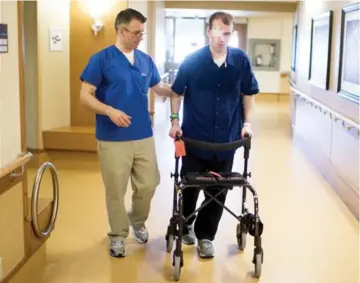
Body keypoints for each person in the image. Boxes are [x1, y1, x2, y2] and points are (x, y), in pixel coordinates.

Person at [79, 8, 172, 258]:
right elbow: (85, 96)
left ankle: (137, 220)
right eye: (136, 32)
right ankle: (118, 235)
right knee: (116, 190)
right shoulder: (101, 59)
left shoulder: (144, 60)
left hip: (143, 134)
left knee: (150, 184)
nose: (140, 36)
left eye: (142, 32)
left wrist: (177, 89)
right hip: (113, 138)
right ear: (121, 31)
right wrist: (109, 110)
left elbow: (157, 87)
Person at [169, 11, 259, 258]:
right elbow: (177, 92)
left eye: (227, 33)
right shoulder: (192, 61)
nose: (222, 38)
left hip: (227, 140)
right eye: (218, 31)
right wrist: (175, 121)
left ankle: (206, 236)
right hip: (195, 138)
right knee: (190, 186)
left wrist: (248, 123)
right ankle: (185, 221)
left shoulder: (240, 60)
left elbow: (248, 93)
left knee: (218, 190)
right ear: (209, 31)